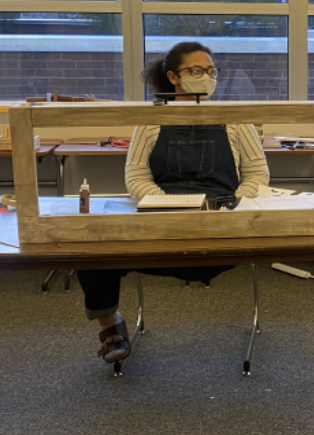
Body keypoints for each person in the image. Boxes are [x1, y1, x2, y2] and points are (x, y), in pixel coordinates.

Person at [76, 41, 269, 364]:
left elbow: (257, 175)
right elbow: (136, 177)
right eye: (196, 71)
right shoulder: (151, 121)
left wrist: (230, 205)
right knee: (89, 247)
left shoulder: (235, 120)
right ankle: (111, 327)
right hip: (161, 222)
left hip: (223, 224)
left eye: (210, 71)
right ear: (173, 77)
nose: (205, 77)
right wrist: (167, 208)